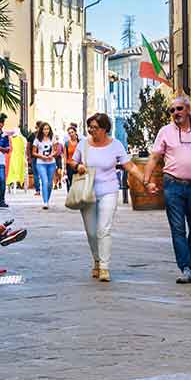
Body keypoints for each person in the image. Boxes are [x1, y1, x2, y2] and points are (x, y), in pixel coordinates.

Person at [142, 95, 191, 284]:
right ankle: (185, 267)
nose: (175, 113)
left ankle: (190, 257)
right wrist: (146, 179)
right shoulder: (165, 132)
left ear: (188, 109)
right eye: (172, 110)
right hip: (172, 185)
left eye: (179, 109)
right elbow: (154, 157)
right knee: (177, 229)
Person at [73, 113, 145, 282]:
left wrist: (145, 181)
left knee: (103, 229)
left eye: (95, 128)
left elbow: (130, 166)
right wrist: (79, 166)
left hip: (109, 190)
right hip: (87, 192)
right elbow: (72, 161)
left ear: (105, 129)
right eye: (89, 127)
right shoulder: (83, 144)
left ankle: (104, 266)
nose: (91, 130)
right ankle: (97, 259)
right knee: (91, 232)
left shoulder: (116, 145)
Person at [31, 123, 59, 210]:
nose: (46, 131)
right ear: (41, 130)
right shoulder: (37, 140)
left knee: (50, 183)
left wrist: (52, 155)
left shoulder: (52, 138)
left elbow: (56, 150)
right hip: (40, 163)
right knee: (45, 181)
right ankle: (45, 202)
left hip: (51, 163)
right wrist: (41, 156)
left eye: (47, 129)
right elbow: (33, 152)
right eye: (44, 129)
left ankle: (47, 198)